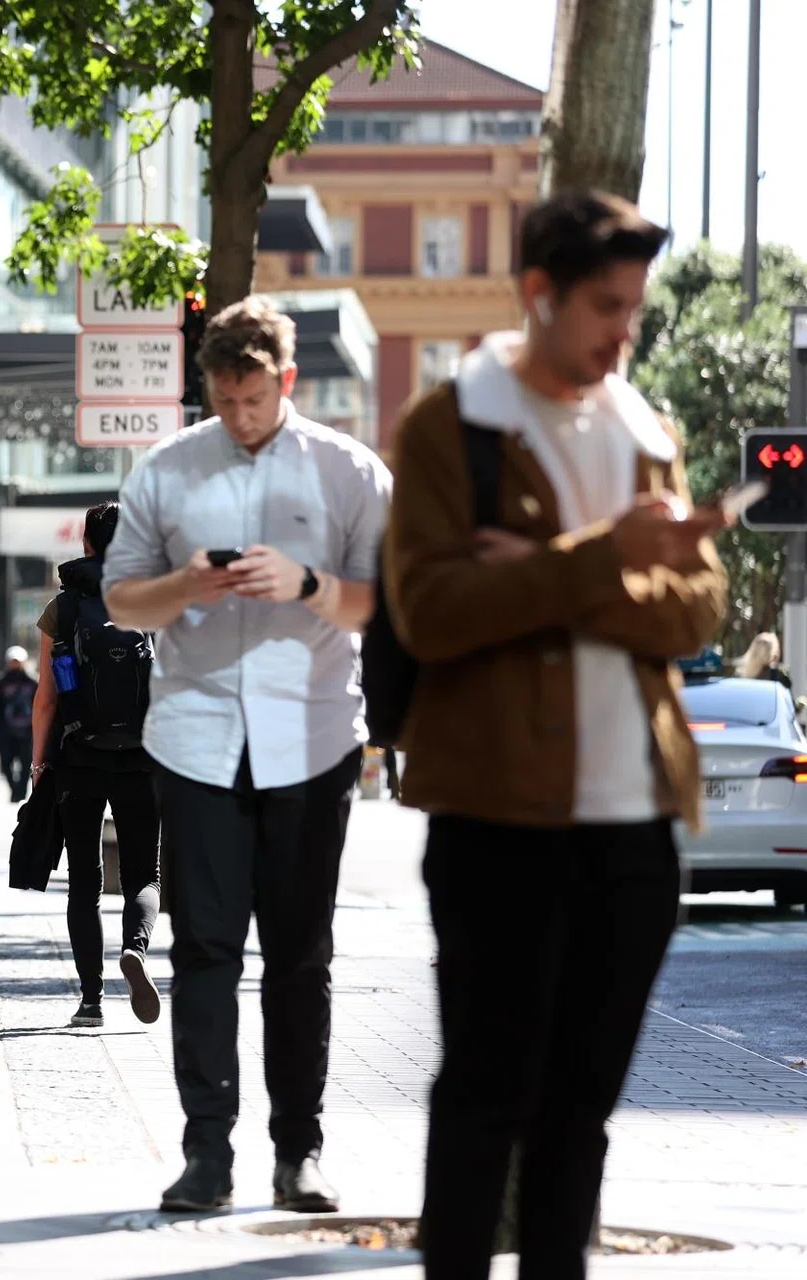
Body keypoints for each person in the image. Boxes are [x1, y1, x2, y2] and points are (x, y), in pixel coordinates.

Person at [387, 193, 726, 1280]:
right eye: (605, 306)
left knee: (581, 1113)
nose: (624, 331)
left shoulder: (640, 429)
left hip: (636, 822)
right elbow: (432, 610)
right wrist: (605, 559)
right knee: (486, 1096)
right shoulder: (452, 428)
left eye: (633, 307)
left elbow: (698, 608)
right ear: (541, 294)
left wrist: (543, 575)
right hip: (496, 814)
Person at [102, 296, 392, 1215]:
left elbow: (386, 606)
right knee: (205, 953)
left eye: (254, 400)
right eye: (224, 401)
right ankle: (206, 1156)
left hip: (312, 738)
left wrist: (308, 585)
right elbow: (120, 603)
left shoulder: (350, 472)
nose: (239, 416)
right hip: (195, 740)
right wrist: (186, 582)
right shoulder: (167, 469)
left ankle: (297, 1153)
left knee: (302, 957)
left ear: (287, 382)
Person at [29, 502, 162, 1029]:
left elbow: (46, 697)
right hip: (145, 757)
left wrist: (39, 764)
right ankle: (136, 949)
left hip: (79, 757)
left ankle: (90, 1002)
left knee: (84, 881)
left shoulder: (63, 607)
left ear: (86, 543)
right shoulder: (156, 598)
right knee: (143, 874)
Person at [0, 646, 38, 802]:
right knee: (5, 764)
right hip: (6, 732)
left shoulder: (34, 682)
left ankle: (20, 793)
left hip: (27, 732)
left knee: (26, 764)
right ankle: (14, 790)